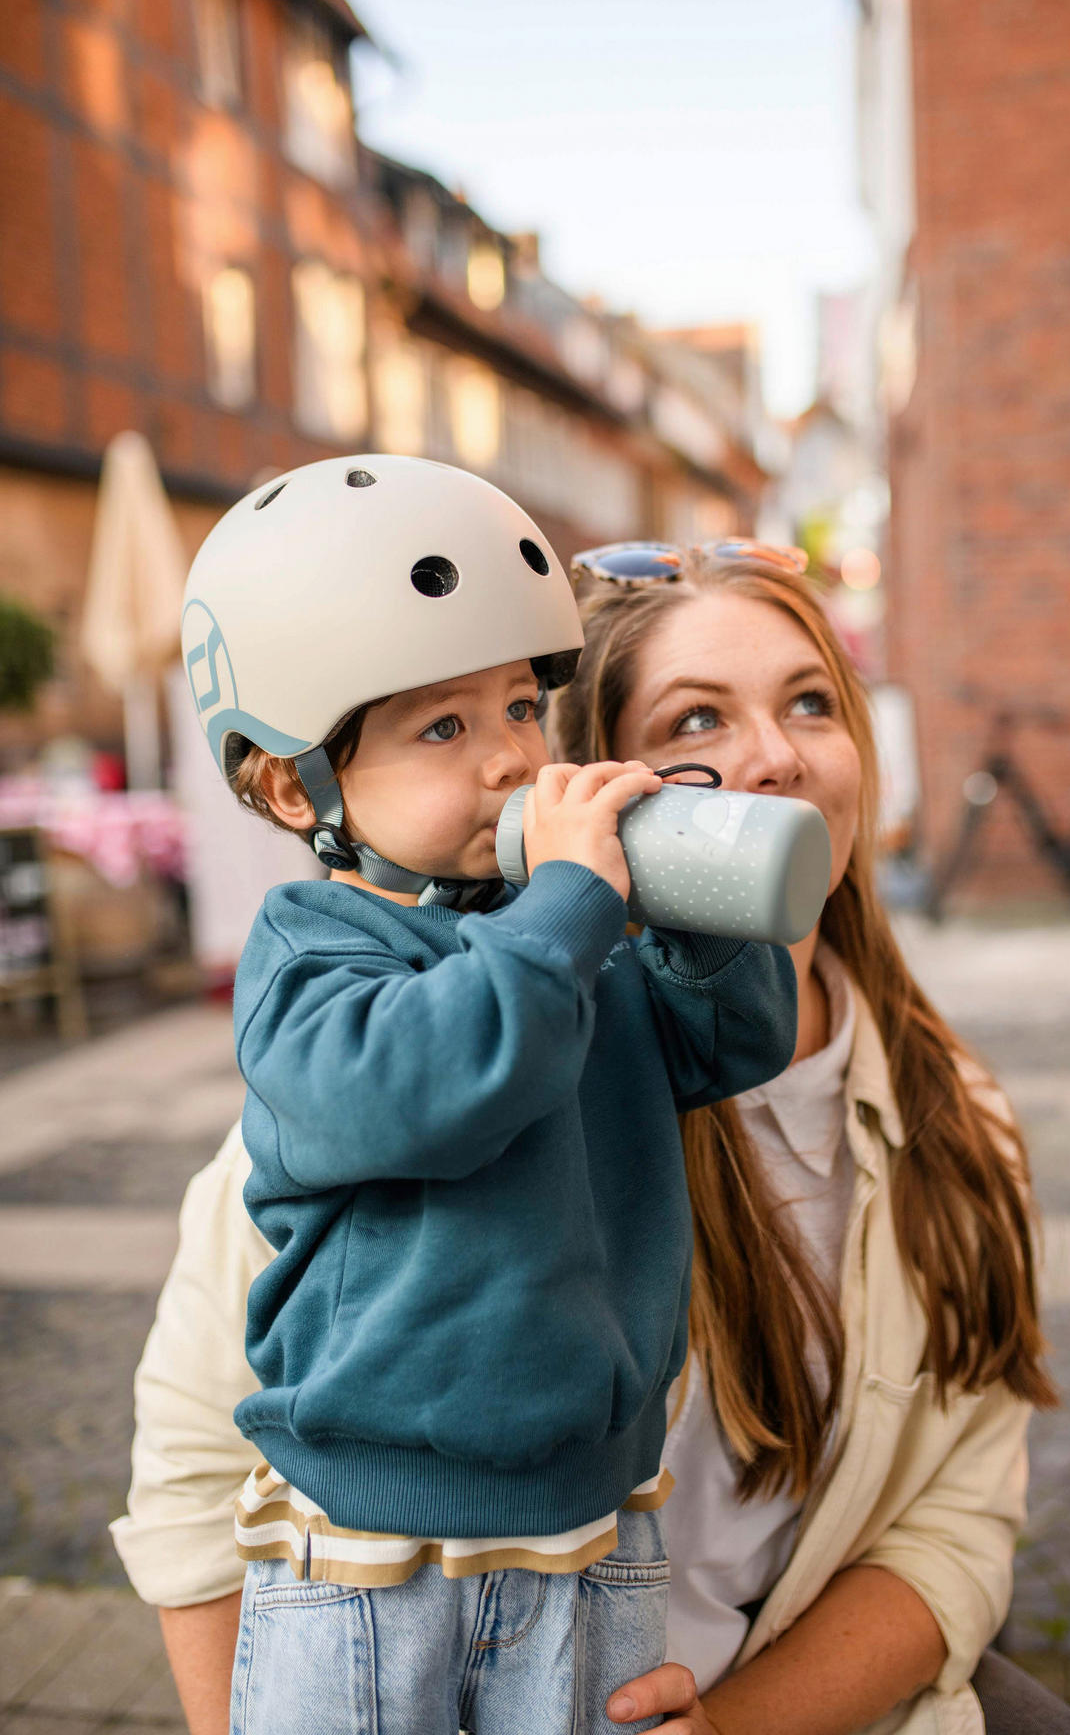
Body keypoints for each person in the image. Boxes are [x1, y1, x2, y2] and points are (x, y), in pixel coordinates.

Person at [113, 537, 1070, 1735]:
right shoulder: (396, 1071)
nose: (776, 758)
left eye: (809, 701)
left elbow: (955, 1525)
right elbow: (190, 1499)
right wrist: (576, 905)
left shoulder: (959, 1120)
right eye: (695, 724)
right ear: (574, 787)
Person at [166, 463, 798, 1735]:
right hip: (370, 1547)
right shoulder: (314, 956)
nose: (516, 758)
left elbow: (739, 1042)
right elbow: (437, 1085)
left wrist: (693, 912)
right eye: (444, 728)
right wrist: (571, 905)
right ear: (297, 789)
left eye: (523, 706)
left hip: (593, 1521)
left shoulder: (569, 934)